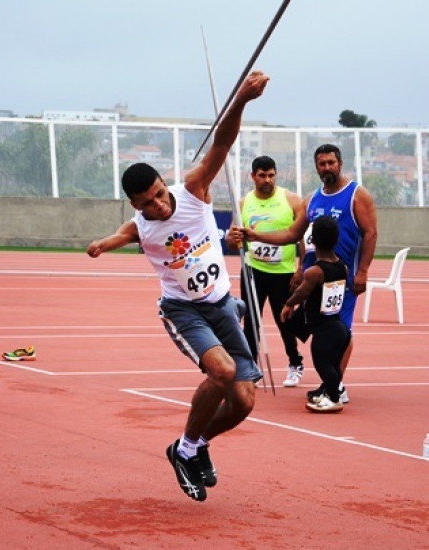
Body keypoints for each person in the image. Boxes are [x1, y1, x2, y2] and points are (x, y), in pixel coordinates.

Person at [86, 71, 269, 502]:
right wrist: (102, 245)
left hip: (223, 304)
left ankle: (194, 446)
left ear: (163, 184)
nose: (158, 205)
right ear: (135, 204)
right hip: (184, 311)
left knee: (243, 401)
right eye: (147, 202)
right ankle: (186, 449)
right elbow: (124, 235)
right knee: (222, 372)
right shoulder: (141, 224)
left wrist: (240, 99)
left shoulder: (192, 190)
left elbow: (222, 143)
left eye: (158, 194)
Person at [230, 143, 378, 404]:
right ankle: (313, 372)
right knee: (304, 326)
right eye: (322, 163)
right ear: (317, 167)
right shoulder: (312, 199)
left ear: (340, 163)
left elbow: (370, 233)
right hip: (314, 279)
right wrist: (256, 235)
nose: (327, 167)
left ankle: (336, 386)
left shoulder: (357, 195)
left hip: (341, 280)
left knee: (340, 331)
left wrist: (363, 271)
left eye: (331, 162)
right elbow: (291, 235)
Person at [227, 155, 306, 387]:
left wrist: (300, 268)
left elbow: (301, 237)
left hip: (283, 272)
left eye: (271, 175)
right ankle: (251, 367)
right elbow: (232, 243)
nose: (267, 180)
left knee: (285, 321)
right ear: (253, 177)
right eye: (262, 175)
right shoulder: (242, 204)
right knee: (251, 321)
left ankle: (295, 363)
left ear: (276, 175)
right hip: (253, 271)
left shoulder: (291, 200)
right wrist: (233, 239)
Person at [279, 215, 350, 412]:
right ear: (336, 240)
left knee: (323, 365)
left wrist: (288, 304)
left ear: (313, 240)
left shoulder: (314, 272)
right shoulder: (343, 266)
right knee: (333, 365)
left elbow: (302, 293)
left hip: (324, 331)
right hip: (339, 327)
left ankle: (334, 398)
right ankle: (326, 392)